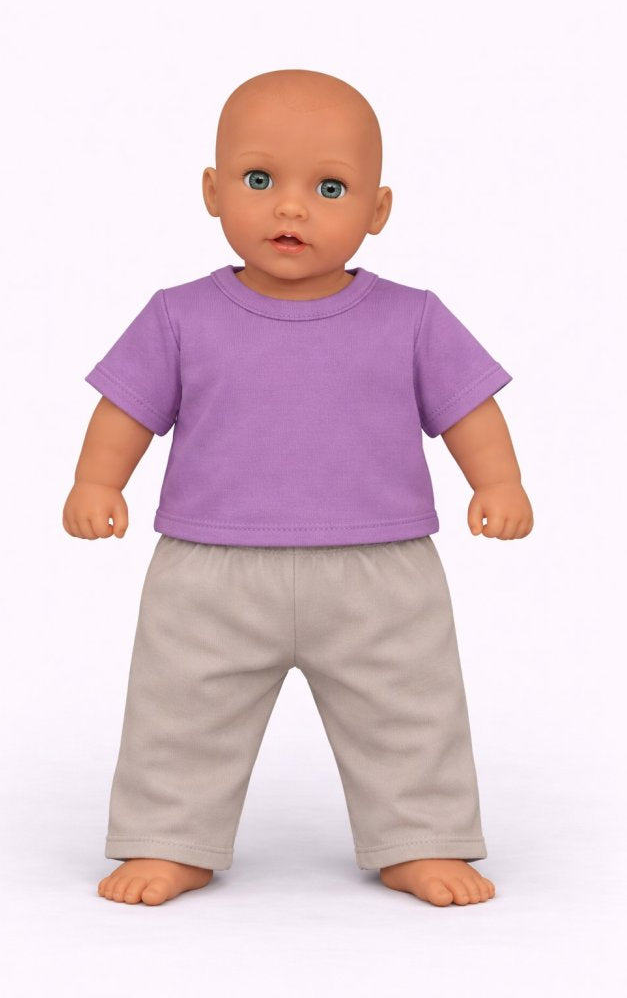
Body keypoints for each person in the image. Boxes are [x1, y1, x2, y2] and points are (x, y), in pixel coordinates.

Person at [63, 69, 533, 907]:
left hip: (380, 568)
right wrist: (96, 480)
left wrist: (498, 481)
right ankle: (170, 835)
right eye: (258, 179)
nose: (290, 207)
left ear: (377, 210)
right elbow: (126, 407)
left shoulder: (412, 317)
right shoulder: (178, 315)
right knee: (179, 708)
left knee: (409, 707)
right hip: (208, 567)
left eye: (329, 188)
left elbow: (468, 407)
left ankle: (420, 835)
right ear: (212, 191)